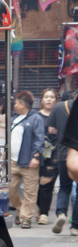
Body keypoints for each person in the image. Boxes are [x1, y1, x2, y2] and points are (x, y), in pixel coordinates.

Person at [7, 90, 45, 229]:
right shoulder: (14, 118)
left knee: (30, 192)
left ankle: (26, 218)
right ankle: (20, 209)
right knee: (10, 189)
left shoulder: (36, 119)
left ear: (22, 104)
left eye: (16, 103)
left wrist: (36, 157)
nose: (14, 105)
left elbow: (40, 139)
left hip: (29, 161)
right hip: (13, 161)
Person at [52, 92, 77, 235]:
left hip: (63, 153)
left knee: (64, 187)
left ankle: (61, 213)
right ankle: (75, 226)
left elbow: (51, 129)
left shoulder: (58, 107)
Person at [36, 88, 59, 224]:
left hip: (55, 154)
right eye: (46, 97)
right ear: (42, 99)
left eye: (52, 97)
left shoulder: (59, 115)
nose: (49, 99)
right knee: (36, 184)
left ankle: (44, 213)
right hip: (37, 154)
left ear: (56, 100)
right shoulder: (36, 116)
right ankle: (40, 208)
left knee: (47, 184)